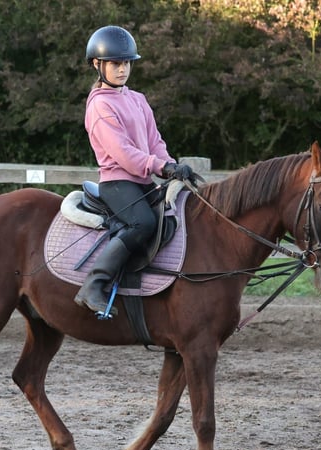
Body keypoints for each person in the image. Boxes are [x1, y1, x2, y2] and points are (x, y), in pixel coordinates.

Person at [74, 25, 194, 318]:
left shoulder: (137, 98)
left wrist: (170, 166)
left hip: (143, 180)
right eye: (116, 63)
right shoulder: (100, 105)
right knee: (142, 224)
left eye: (126, 63)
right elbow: (123, 153)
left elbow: (154, 140)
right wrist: (159, 166)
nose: (123, 69)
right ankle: (94, 284)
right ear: (97, 65)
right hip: (117, 182)